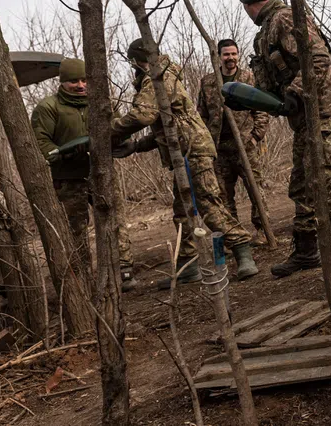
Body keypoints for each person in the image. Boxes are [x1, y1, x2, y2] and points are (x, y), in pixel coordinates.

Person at [238, 0, 331, 283]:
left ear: (249, 4)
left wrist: (296, 92)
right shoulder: (265, 32)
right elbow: (274, 84)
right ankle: (307, 250)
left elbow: (319, 58)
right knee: (300, 184)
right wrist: (250, 99)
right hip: (304, 120)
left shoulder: (284, 18)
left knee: (322, 180)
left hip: (323, 111)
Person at [111, 39, 260, 288]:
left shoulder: (158, 77)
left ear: (136, 61)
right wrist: (136, 145)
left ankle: (242, 249)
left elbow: (143, 115)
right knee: (182, 211)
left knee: (208, 204)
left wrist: (109, 131)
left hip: (194, 150)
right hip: (182, 152)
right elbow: (166, 127)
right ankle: (188, 264)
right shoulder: (160, 76)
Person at [31, 58, 138, 292]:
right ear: (62, 82)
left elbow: (118, 128)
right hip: (68, 178)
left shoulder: (100, 102)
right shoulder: (48, 107)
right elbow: (40, 141)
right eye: (73, 81)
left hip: (101, 171)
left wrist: (123, 142)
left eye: (83, 80)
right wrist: (64, 153)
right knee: (76, 229)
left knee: (115, 218)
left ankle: (123, 268)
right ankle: (84, 278)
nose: (80, 85)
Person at [197, 39, 271, 247]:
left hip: (245, 146)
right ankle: (235, 237)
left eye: (233, 54)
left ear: (238, 55)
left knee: (256, 190)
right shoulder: (208, 82)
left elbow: (261, 109)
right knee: (223, 195)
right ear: (219, 57)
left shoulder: (248, 78)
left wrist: (255, 137)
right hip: (219, 148)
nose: (230, 58)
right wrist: (205, 142)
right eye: (226, 54)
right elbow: (201, 115)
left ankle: (263, 231)